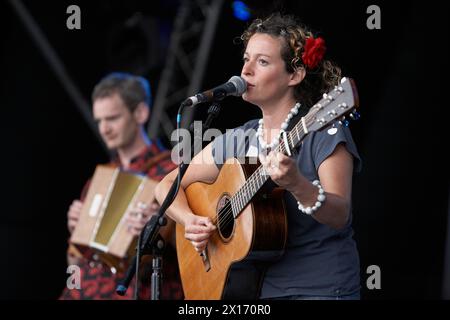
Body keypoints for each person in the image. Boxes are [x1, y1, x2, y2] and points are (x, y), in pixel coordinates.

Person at [154, 13, 362, 300]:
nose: (246, 70)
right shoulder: (241, 137)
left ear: (295, 74)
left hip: (322, 288)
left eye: (262, 62)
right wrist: (189, 220)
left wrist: (297, 184)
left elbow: (341, 215)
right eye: (246, 58)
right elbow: (166, 186)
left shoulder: (324, 131)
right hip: (261, 291)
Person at [60, 72, 183, 300]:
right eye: (100, 121)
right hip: (83, 290)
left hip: (136, 290)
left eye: (112, 118)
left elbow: (197, 247)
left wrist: (161, 232)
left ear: (140, 113)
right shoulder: (99, 178)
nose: (104, 128)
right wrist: (76, 234)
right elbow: (74, 262)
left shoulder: (174, 170)